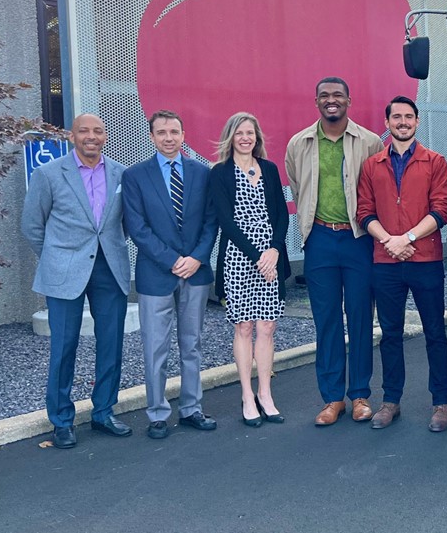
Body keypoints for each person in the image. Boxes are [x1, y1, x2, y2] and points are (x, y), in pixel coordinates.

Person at [22, 114, 131, 449]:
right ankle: (62, 421)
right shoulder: (49, 174)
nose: (91, 136)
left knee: (111, 343)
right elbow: (32, 226)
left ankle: (103, 412)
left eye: (98, 131)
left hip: (108, 268)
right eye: (84, 131)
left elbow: (125, 222)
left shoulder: (120, 174)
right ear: (72, 136)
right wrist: (57, 257)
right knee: (64, 346)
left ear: (106, 136)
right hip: (64, 272)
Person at [286, 76, 382, 426]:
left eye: (337, 95)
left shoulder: (369, 142)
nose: (331, 101)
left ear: (348, 100)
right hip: (320, 241)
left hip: (358, 239)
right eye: (324, 96)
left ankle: (359, 395)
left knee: (359, 318)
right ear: (316, 102)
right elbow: (298, 186)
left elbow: (377, 188)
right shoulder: (299, 143)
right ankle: (331, 399)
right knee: (325, 321)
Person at [356, 96, 447, 432]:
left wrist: (407, 239)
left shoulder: (435, 161)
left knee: (435, 334)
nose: (402, 122)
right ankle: (390, 401)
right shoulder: (372, 165)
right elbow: (364, 212)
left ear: (416, 122)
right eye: (396, 117)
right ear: (386, 123)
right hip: (385, 262)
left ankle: (441, 403)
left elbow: (442, 210)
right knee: (390, 335)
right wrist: (389, 241)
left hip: (424, 260)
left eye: (408, 117)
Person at [121, 110, 218, 439]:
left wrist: (196, 258)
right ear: (151, 137)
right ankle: (158, 413)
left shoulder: (201, 174)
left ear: (183, 134)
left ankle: (192, 408)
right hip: (155, 274)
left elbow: (210, 221)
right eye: (161, 132)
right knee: (155, 346)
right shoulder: (135, 176)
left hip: (196, 272)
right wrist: (173, 260)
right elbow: (137, 227)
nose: (168, 137)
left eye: (174, 131)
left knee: (192, 344)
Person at [209, 112, 291, 427]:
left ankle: (265, 394)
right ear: (231, 136)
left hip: (270, 253)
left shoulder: (269, 169)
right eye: (240, 133)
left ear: (257, 138)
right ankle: (247, 395)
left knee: (268, 327)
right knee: (244, 327)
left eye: (251, 133)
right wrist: (258, 256)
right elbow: (226, 222)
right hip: (239, 256)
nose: (246, 138)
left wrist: (273, 251)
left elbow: (282, 215)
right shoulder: (219, 173)